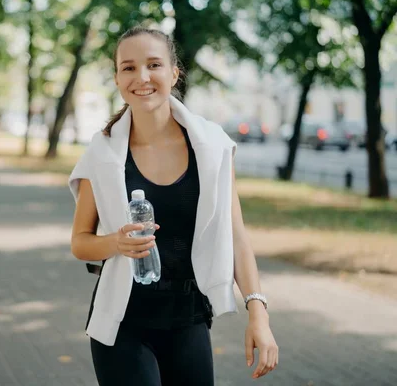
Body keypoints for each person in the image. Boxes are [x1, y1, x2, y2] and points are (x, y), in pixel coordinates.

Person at [68, 26, 278, 385]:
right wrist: (115, 243)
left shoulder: (211, 147)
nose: (142, 77)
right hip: (122, 323)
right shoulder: (102, 153)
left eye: (154, 65)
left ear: (173, 72)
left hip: (188, 318)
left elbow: (236, 235)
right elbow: (80, 242)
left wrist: (258, 313)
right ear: (117, 78)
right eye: (129, 68)